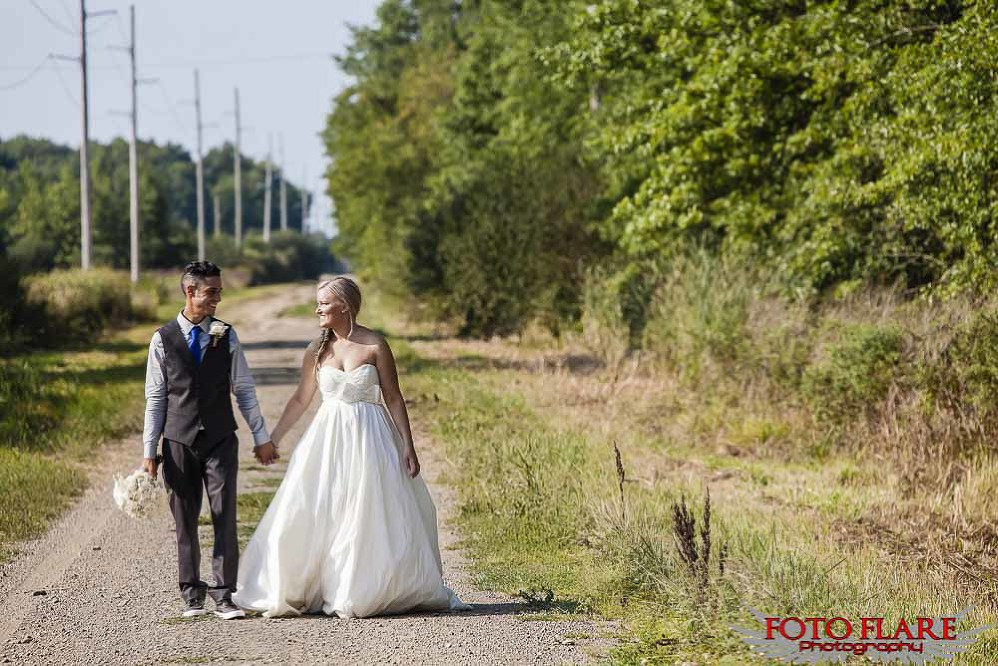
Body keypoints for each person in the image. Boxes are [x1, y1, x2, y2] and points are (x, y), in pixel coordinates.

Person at [232, 277, 469, 618]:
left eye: (323, 303)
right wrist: (274, 438)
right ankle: (309, 582)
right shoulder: (317, 350)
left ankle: (359, 586)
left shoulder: (375, 345)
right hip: (328, 439)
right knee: (317, 507)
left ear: (344, 305)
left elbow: (393, 397)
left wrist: (408, 446)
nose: (317, 309)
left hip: (371, 437)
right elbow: (301, 400)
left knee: (365, 509)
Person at [142, 261, 278, 620]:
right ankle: (191, 593)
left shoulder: (226, 334)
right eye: (212, 291)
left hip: (220, 438)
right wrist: (149, 452)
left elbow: (244, 390)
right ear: (191, 292)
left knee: (224, 515)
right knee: (184, 519)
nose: (219, 298)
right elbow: (155, 399)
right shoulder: (163, 339)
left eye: (219, 290)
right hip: (177, 441)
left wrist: (261, 436)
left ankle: (224, 593)